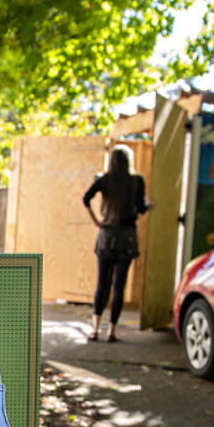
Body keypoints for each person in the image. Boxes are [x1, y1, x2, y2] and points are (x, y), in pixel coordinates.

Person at [82, 144, 149, 342]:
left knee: (102, 283)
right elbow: (142, 208)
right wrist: (150, 206)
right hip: (127, 236)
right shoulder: (136, 181)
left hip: (106, 234)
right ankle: (111, 331)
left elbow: (86, 198)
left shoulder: (104, 179)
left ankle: (94, 330)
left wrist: (97, 221)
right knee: (119, 285)